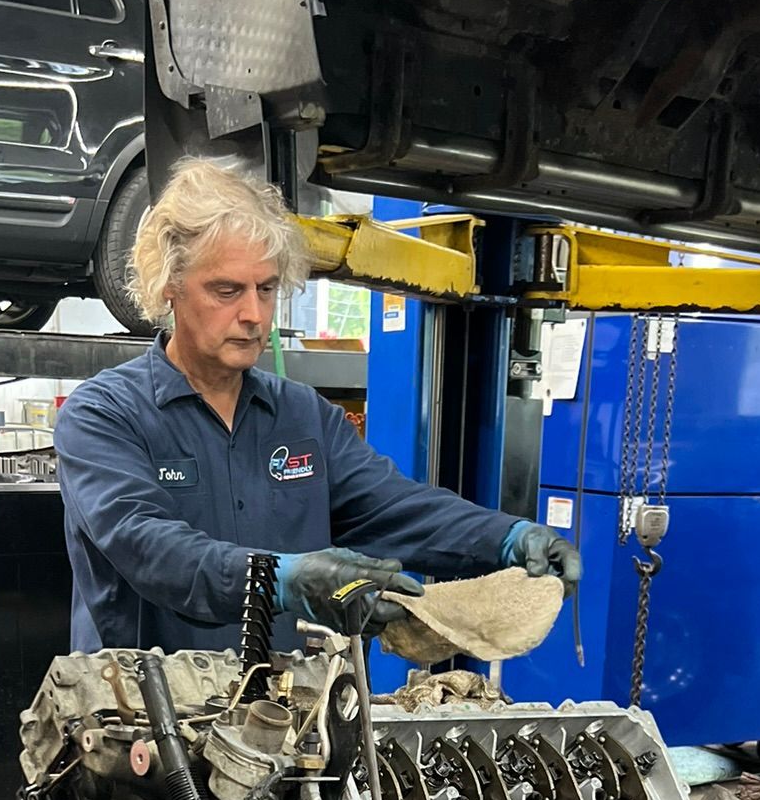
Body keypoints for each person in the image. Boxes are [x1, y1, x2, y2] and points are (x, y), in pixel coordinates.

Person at [54, 159, 580, 654]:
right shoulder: (103, 416)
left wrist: (508, 536)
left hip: (285, 718)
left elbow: (395, 507)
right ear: (169, 285)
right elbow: (151, 549)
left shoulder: (303, 416)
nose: (254, 314)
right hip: (144, 722)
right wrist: (282, 579)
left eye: (266, 288)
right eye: (226, 290)